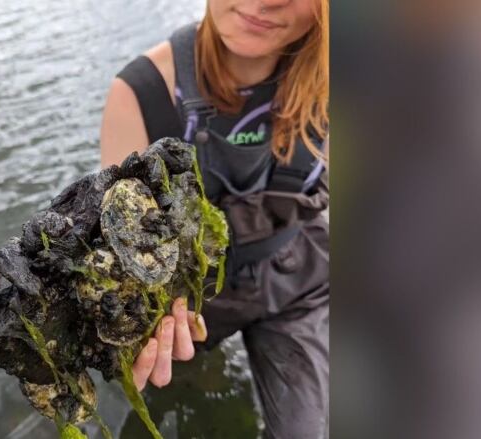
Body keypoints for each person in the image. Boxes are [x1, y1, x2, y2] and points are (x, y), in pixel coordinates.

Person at [99, 1, 329, 437]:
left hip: (300, 280)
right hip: (194, 301)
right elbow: (125, 248)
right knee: (159, 393)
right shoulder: (144, 92)